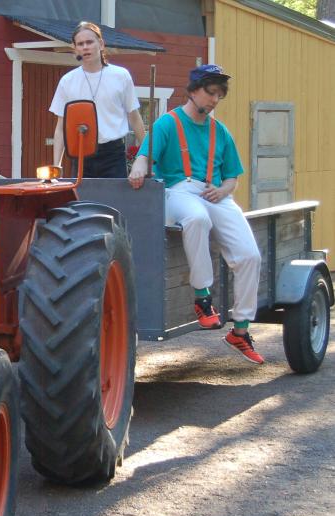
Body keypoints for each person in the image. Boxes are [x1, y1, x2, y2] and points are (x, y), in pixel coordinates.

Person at [128, 64, 264, 364]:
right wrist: (138, 169)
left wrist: (224, 191)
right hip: (180, 191)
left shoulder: (220, 131)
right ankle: (202, 298)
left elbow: (232, 177)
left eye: (219, 95)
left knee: (250, 256)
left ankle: (240, 330)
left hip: (216, 194)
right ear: (193, 91)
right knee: (197, 218)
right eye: (210, 92)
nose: (214, 100)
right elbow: (144, 156)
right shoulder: (167, 123)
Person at [50, 21, 146, 178]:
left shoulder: (121, 76)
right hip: (80, 155)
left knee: (112, 202)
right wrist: (56, 166)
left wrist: (145, 157)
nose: (85, 47)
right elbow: (61, 127)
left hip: (113, 155)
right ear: (75, 48)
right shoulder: (67, 81)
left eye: (89, 42)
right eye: (80, 44)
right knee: (82, 202)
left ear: (101, 44)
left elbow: (134, 118)